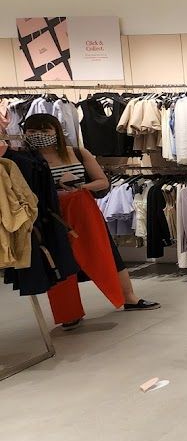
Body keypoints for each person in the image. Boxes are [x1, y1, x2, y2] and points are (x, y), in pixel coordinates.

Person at [22, 113, 159, 328]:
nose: (39, 135)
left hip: (82, 208)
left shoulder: (76, 152)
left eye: (45, 130)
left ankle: (128, 297)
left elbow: (102, 181)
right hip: (50, 213)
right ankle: (68, 312)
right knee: (58, 261)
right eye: (32, 131)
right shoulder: (26, 160)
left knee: (106, 252)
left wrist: (79, 186)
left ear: (56, 130)